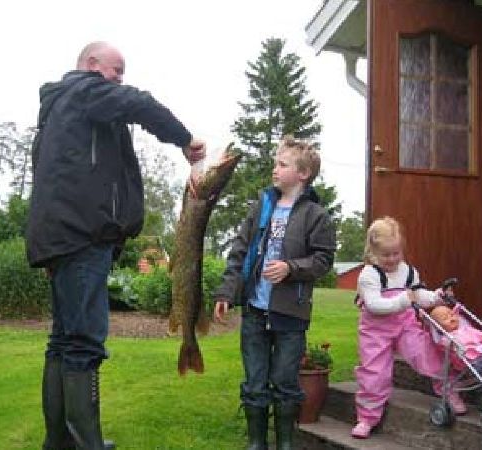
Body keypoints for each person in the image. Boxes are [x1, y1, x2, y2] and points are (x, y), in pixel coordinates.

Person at [26, 41, 206, 450]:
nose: (120, 79)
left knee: (63, 340)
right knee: (84, 343)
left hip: (59, 240)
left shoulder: (60, 112)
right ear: (92, 66)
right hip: (82, 238)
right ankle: (87, 444)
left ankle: (59, 442)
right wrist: (184, 139)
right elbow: (137, 103)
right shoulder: (84, 90)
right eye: (116, 70)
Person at [212, 136, 336, 450]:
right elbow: (239, 252)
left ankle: (285, 443)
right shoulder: (261, 207)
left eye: (282, 164)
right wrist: (226, 292)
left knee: (285, 381)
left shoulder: (315, 216)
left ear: (303, 174)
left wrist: (290, 268)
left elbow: (323, 260)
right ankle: (257, 443)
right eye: (275, 163)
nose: (275, 169)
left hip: (290, 315)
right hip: (254, 310)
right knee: (254, 380)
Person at [351, 217, 466, 439]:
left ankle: (449, 392)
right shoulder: (369, 275)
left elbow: (418, 294)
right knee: (374, 373)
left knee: (429, 354)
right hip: (375, 331)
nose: (392, 259)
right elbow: (374, 305)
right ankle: (367, 417)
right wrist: (404, 300)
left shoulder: (407, 271)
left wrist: (436, 297)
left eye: (397, 253)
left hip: (404, 326)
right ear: (373, 253)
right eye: (386, 255)